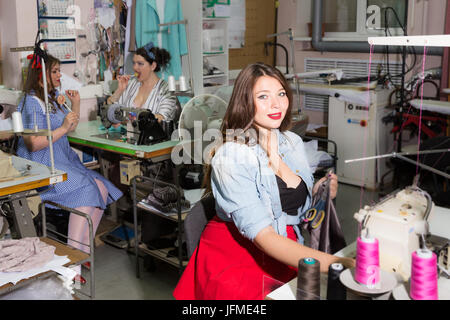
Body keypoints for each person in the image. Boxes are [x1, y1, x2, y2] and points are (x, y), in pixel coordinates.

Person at [173, 62, 354, 300]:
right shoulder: (231, 156)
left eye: (281, 94)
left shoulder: (291, 142)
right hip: (237, 256)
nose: (276, 104)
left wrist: (319, 193)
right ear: (245, 103)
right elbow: (265, 237)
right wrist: (338, 263)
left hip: (282, 244)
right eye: (263, 96)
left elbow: (296, 204)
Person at [17, 53, 123, 258]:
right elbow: (34, 144)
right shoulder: (31, 101)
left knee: (100, 187)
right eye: (54, 71)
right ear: (41, 74)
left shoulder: (50, 98)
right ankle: (74, 255)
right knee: (86, 187)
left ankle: (81, 250)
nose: (59, 76)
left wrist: (75, 103)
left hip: (61, 159)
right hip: (43, 165)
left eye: (59, 71)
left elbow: (70, 127)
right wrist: (64, 128)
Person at [106, 42, 179, 122]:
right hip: (128, 134)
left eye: (140, 64)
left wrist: (129, 117)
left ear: (153, 66)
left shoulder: (165, 90)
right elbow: (110, 108)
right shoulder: (131, 84)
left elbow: (162, 118)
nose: (135, 67)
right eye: (134, 63)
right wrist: (119, 90)